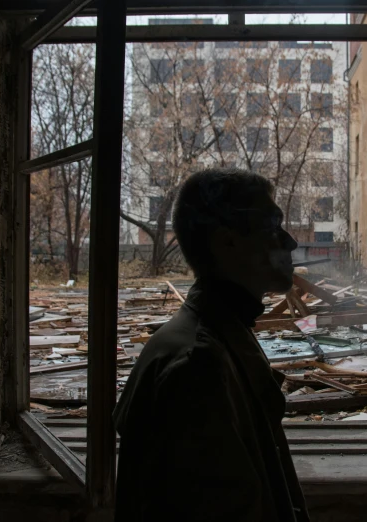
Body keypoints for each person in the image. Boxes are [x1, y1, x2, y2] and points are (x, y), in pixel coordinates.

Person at [113, 168, 309, 521]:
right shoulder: (196, 367)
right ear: (227, 241)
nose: (290, 242)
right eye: (273, 225)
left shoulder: (221, 331)